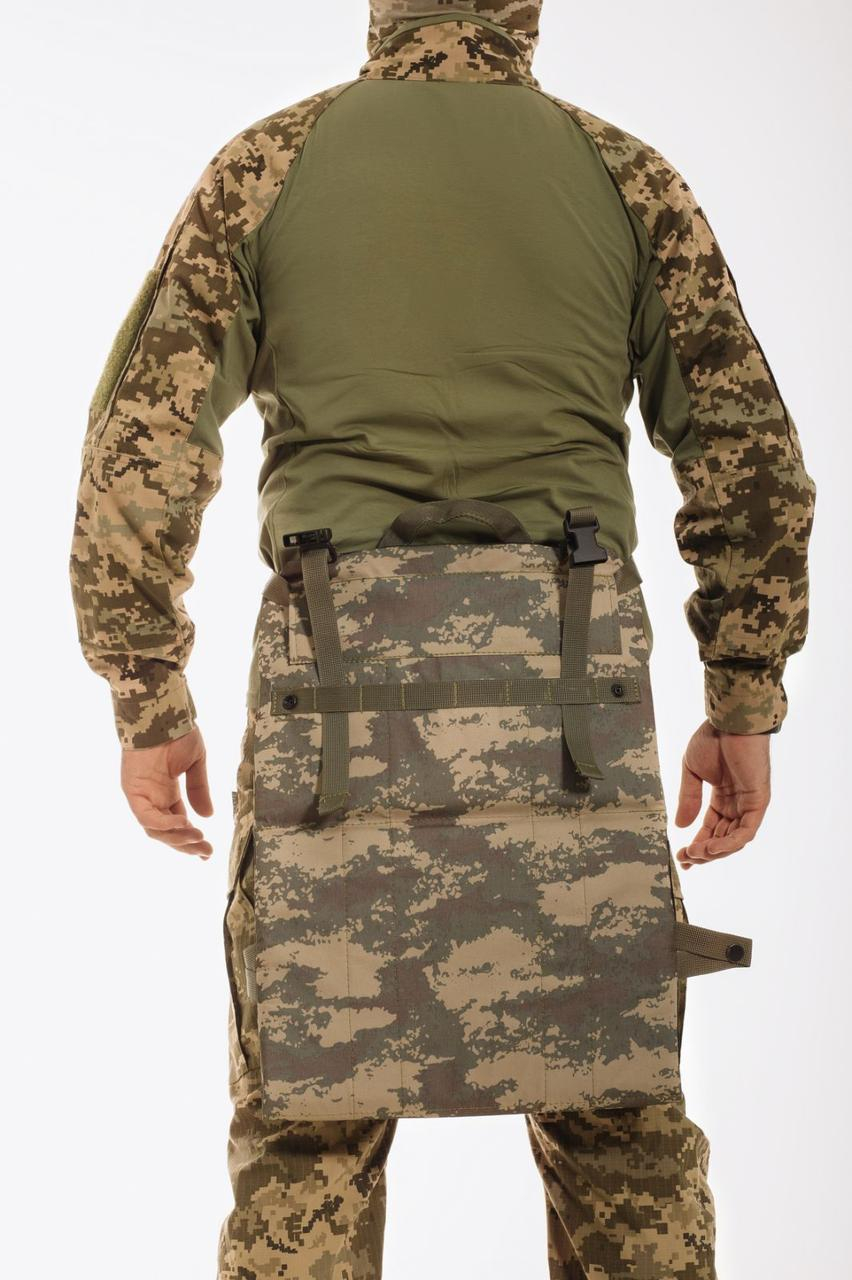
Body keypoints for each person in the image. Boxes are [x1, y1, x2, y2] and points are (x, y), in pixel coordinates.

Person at [70, 3, 816, 1276]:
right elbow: (751, 460)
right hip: (576, 710)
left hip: (331, 707)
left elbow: (137, 451)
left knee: (306, 1138)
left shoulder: (269, 167)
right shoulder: (629, 179)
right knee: (620, 1133)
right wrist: (743, 697)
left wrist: (149, 697)